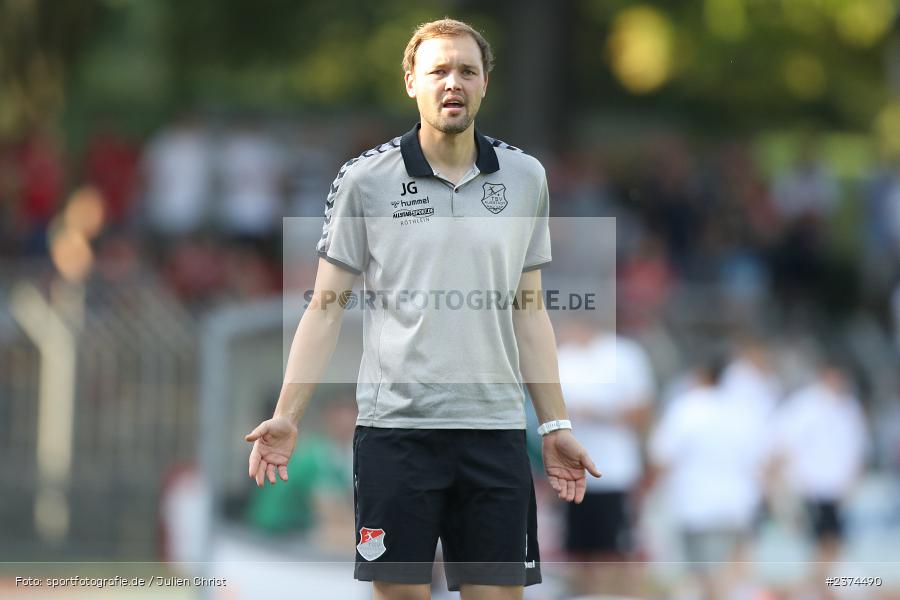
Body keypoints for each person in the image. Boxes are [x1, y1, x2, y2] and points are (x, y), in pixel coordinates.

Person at [244, 18, 600, 600]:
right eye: (437, 71)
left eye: (467, 70)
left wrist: (555, 424)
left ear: (486, 83)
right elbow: (325, 308)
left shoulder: (526, 176)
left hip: (495, 432)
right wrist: (288, 414)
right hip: (396, 433)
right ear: (411, 81)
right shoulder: (365, 180)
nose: (452, 83)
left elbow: (528, 309)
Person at [556, 317, 654, 596]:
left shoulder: (624, 355)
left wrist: (598, 413)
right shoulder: (563, 358)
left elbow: (641, 411)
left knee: (617, 549)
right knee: (578, 551)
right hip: (573, 473)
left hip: (614, 471)